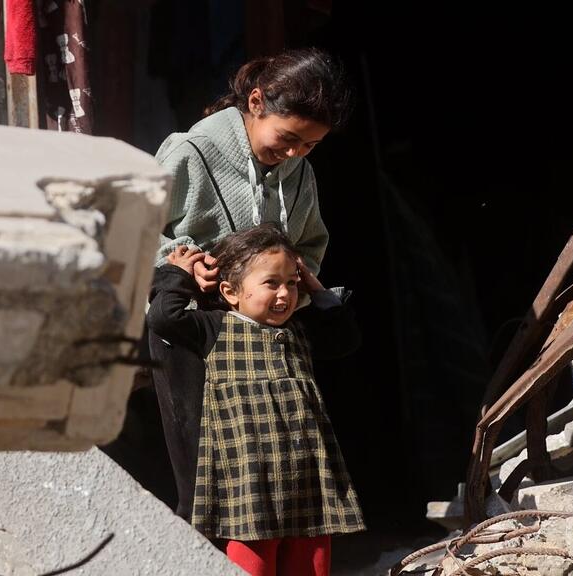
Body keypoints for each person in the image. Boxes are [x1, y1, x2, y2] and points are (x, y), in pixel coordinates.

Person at [149, 47, 353, 520]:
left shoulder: (299, 173)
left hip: (265, 343)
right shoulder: (189, 152)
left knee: (263, 482)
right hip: (191, 333)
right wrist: (179, 266)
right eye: (288, 138)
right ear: (256, 102)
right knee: (206, 487)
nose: (295, 153)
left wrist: (290, 282)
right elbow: (131, 230)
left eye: (310, 145)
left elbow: (311, 243)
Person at [148, 225, 364, 576]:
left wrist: (317, 289)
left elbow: (345, 339)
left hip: (305, 480)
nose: (284, 295)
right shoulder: (213, 327)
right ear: (231, 291)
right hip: (245, 487)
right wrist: (176, 274)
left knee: (311, 565)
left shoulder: (298, 330)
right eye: (271, 283)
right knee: (250, 567)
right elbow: (163, 318)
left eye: (291, 283)